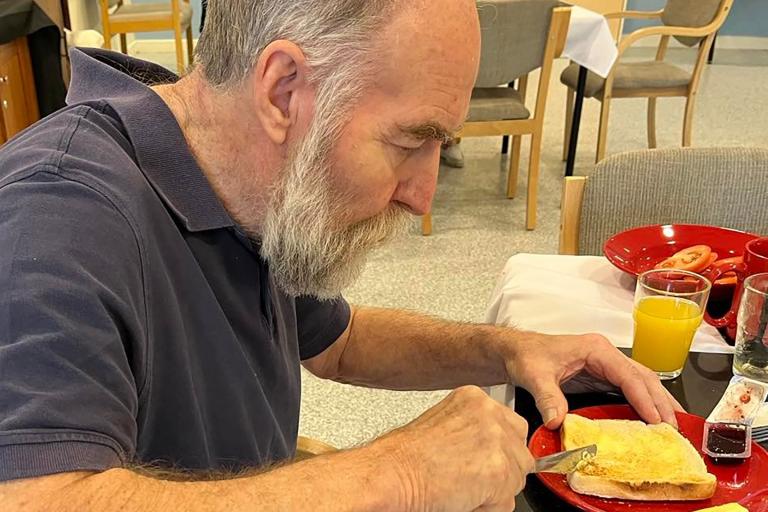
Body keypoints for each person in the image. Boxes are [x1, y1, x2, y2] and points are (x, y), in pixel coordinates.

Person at [0, 0, 681, 510]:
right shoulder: (59, 217)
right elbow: (37, 498)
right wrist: (400, 473)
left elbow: (339, 342)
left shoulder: (244, 177)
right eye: (408, 142)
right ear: (282, 89)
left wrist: (507, 349)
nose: (422, 197)